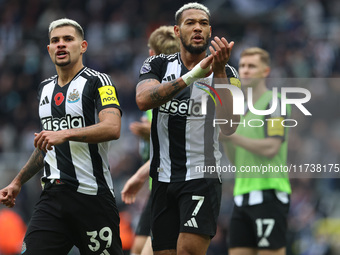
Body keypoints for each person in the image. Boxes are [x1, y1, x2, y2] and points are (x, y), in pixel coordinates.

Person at [0, 18, 123, 255]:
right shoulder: (44, 88)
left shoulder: (99, 81)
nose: (61, 45)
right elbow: (48, 142)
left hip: (92, 197)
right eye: (55, 41)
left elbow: (112, 128)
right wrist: (17, 182)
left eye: (68, 39)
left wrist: (65, 134)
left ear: (83, 46)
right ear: (48, 49)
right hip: (53, 199)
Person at [136, 3, 241, 255]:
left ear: (210, 31)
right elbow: (143, 99)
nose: (197, 28)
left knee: (188, 251)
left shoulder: (228, 71)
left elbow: (230, 125)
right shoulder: (157, 65)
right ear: (176, 30)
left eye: (203, 24)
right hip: (162, 177)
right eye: (190, 23)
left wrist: (217, 72)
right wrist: (192, 75)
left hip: (201, 177)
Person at [220, 47, 291, 255]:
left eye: (252, 66)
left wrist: (232, 136)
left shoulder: (275, 102)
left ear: (265, 71)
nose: (245, 71)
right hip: (242, 195)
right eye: (242, 66)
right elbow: (235, 160)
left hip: (269, 193)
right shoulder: (238, 109)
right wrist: (224, 139)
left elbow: (272, 147)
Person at [122, 25, 180, 255]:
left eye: (151, 50)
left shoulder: (168, 96)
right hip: (155, 186)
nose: (148, 55)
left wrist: (137, 175)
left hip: (173, 184)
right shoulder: (151, 94)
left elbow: (172, 147)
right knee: (137, 249)